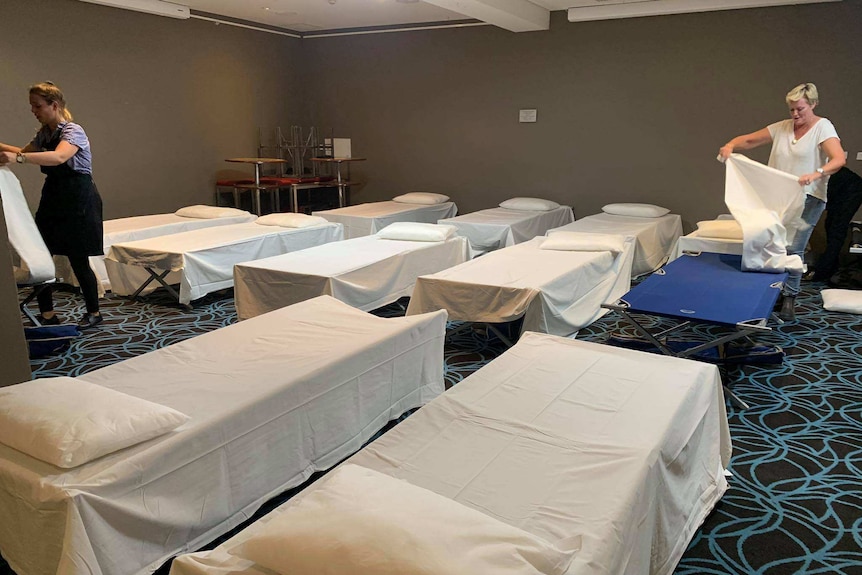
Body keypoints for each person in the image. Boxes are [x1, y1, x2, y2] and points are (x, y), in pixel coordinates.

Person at [717, 82, 846, 321]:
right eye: (792, 110)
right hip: (778, 197)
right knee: (770, 242)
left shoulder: (823, 127)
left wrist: (817, 173)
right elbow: (750, 141)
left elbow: (838, 159)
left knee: (794, 248)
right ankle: (772, 292)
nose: (795, 115)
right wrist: (731, 145)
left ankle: (790, 298)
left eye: (800, 109)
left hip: (808, 197)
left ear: (813, 104)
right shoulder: (783, 127)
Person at [0, 82, 104, 329]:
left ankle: (94, 312)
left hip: (78, 197)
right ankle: (47, 313)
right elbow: (24, 152)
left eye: (37, 106)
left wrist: (19, 158)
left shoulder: (73, 131)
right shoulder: (44, 133)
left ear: (54, 105)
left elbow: (58, 156)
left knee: (78, 259)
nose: (33, 111)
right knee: (41, 254)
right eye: (32, 106)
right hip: (54, 196)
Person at [808, 167, 862, 282]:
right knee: (830, 225)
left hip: (851, 188)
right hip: (840, 187)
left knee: (836, 229)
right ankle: (829, 268)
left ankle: (823, 272)